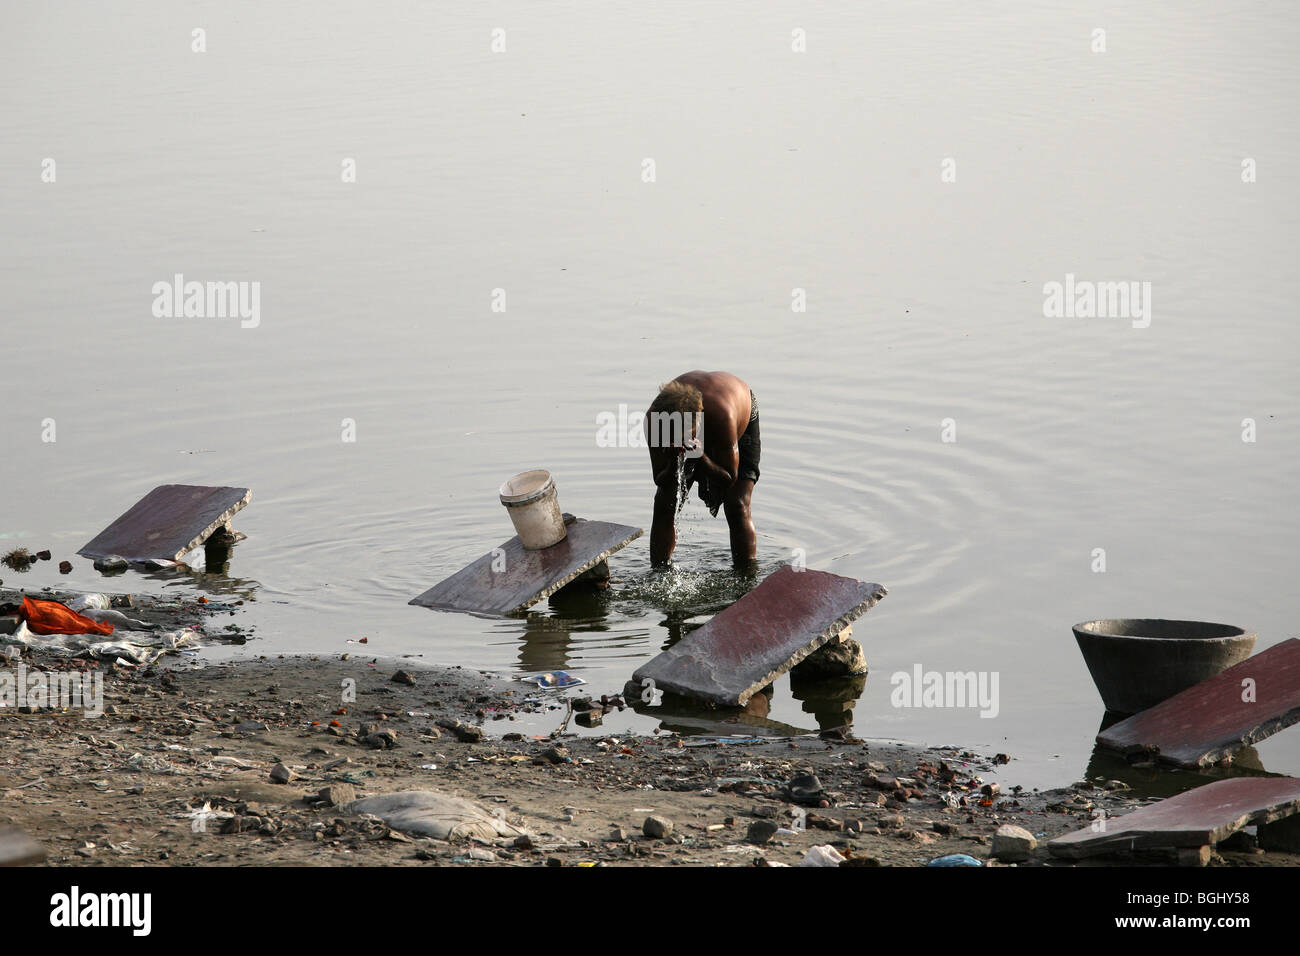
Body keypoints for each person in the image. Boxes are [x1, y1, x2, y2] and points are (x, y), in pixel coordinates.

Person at [646, 370, 759, 568]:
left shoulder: (723, 417)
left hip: (738, 406)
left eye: (683, 437)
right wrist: (673, 461)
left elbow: (729, 478)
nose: (678, 442)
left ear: (697, 422)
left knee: (737, 504)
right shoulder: (654, 420)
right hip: (703, 420)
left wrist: (702, 458)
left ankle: (746, 575)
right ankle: (660, 573)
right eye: (672, 438)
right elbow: (660, 479)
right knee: (665, 502)